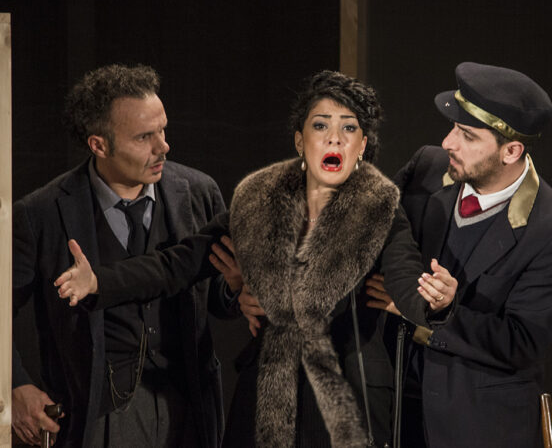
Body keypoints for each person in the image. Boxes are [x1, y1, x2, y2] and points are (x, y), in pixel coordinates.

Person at [54, 70, 458, 448]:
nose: (334, 139)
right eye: (321, 126)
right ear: (300, 141)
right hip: (267, 394)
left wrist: (433, 303)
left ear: (362, 145)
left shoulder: (381, 210)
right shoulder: (262, 202)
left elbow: (407, 279)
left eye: (348, 128)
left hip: (349, 397)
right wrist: (99, 282)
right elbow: (178, 263)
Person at [12, 64, 236, 447]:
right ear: (99, 145)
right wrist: (16, 386)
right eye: (144, 137)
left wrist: (234, 286)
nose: (163, 147)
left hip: (187, 410)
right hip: (95, 416)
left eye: (162, 130)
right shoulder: (41, 214)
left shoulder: (198, 192)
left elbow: (219, 299)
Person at [366, 62, 552, 447]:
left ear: (511, 151)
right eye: (454, 127)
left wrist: (441, 312)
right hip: (396, 410)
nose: (448, 142)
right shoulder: (428, 168)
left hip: (474, 424)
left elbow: (521, 343)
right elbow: (367, 234)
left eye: (467, 135)